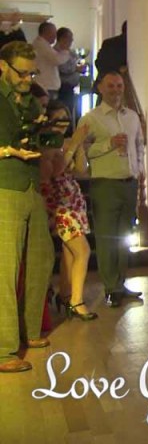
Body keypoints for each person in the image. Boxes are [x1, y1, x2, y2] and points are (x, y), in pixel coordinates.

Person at [0, 41, 64, 373]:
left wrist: (44, 131)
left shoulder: (26, 101)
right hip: (5, 186)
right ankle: (4, 348)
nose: (27, 79)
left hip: (30, 183)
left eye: (31, 73)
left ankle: (30, 330)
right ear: (3, 67)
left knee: (41, 256)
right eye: (21, 73)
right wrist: (8, 152)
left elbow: (31, 137)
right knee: (5, 268)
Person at [79, 70, 145, 308]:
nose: (116, 90)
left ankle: (121, 282)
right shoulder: (90, 118)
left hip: (129, 184)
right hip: (105, 185)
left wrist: (137, 171)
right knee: (107, 239)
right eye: (111, 86)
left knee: (124, 238)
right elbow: (83, 151)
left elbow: (139, 146)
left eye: (119, 86)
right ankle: (110, 287)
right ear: (100, 88)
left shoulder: (133, 117)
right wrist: (109, 143)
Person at [39, 102, 96, 320]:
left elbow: (81, 169)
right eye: (57, 118)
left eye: (65, 118)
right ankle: (76, 301)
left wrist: (77, 145)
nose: (62, 123)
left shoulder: (65, 142)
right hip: (58, 202)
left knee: (69, 253)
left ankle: (66, 294)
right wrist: (72, 145)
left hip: (72, 199)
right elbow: (55, 170)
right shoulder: (44, 142)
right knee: (82, 250)